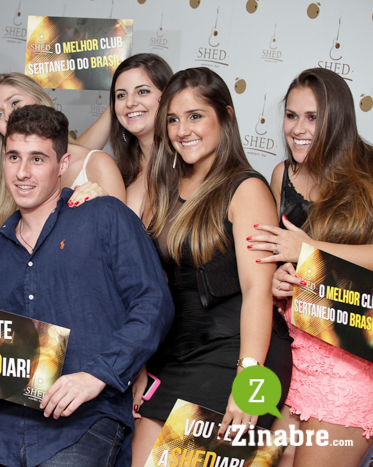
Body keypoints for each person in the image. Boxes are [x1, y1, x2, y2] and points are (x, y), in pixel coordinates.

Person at [0, 104, 174, 467]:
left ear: (62, 165)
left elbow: (154, 302)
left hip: (83, 422)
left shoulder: (104, 216)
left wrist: (97, 374)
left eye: (37, 159)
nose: (22, 172)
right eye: (14, 157)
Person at [133, 67, 292, 466]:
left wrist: (249, 379)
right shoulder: (165, 186)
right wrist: (143, 363)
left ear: (226, 116)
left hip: (236, 353)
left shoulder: (246, 188)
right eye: (173, 119)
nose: (182, 130)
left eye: (195, 116)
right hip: (176, 355)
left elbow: (258, 290)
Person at [248, 68, 373, 467]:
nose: (298, 129)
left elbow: (303, 251)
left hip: (350, 358)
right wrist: (279, 279)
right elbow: (279, 259)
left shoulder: (370, 171)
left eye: (312, 117)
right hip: (292, 353)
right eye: (291, 115)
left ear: (337, 118)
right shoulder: (283, 175)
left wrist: (310, 249)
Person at [0, 72, 125, 232]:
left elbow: (123, 236)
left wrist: (106, 208)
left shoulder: (97, 164)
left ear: (40, 99)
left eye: (15, 102)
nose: (9, 116)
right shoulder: (3, 180)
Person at [77, 54, 173, 217]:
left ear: (167, 96)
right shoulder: (123, 171)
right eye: (121, 95)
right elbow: (75, 159)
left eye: (142, 91)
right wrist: (118, 110)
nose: (130, 102)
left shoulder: (184, 164)